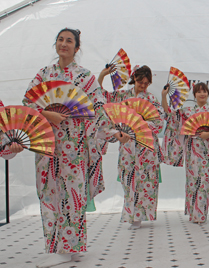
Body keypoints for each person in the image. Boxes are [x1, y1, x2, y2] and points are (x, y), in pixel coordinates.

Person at [22, 28, 125, 268]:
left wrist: (112, 133)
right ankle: (61, 246)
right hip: (47, 145)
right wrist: (48, 114)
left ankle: (71, 246)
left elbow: (98, 109)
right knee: (50, 194)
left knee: (73, 196)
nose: (64, 44)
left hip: (75, 147)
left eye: (70, 41)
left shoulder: (85, 77)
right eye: (60, 39)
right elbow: (28, 103)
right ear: (55, 44)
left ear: (77, 48)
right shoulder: (44, 74)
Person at [98, 65, 165, 230]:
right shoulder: (121, 96)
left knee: (145, 180)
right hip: (127, 143)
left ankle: (140, 215)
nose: (143, 85)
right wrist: (102, 76)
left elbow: (159, 122)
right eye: (140, 81)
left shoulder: (151, 99)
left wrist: (140, 123)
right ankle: (131, 214)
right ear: (134, 78)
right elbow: (100, 98)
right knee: (128, 178)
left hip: (146, 145)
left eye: (146, 83)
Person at [162, 82, 209, 225]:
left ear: (208, 93)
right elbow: (170, 116)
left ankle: (201, 214)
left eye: (204, 91)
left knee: (204, 182)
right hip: (192, 151)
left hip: (208, 150)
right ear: (194, 94)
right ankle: (193, 213)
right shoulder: (187, 111)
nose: (202, 94)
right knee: (193, 182)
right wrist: (163, 96)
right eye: (199, 91)